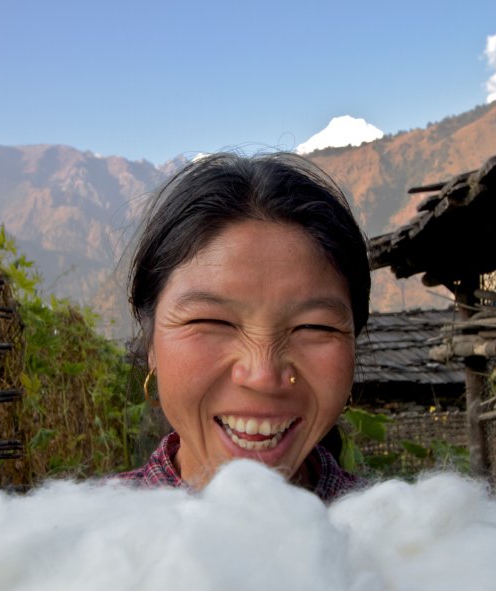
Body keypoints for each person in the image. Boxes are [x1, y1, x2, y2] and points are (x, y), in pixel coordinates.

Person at [115, 152, 371, 502]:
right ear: (151, 346)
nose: (262, 375)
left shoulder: (413, 546)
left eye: (313, 327)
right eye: (211, 321)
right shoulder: (69, 545)